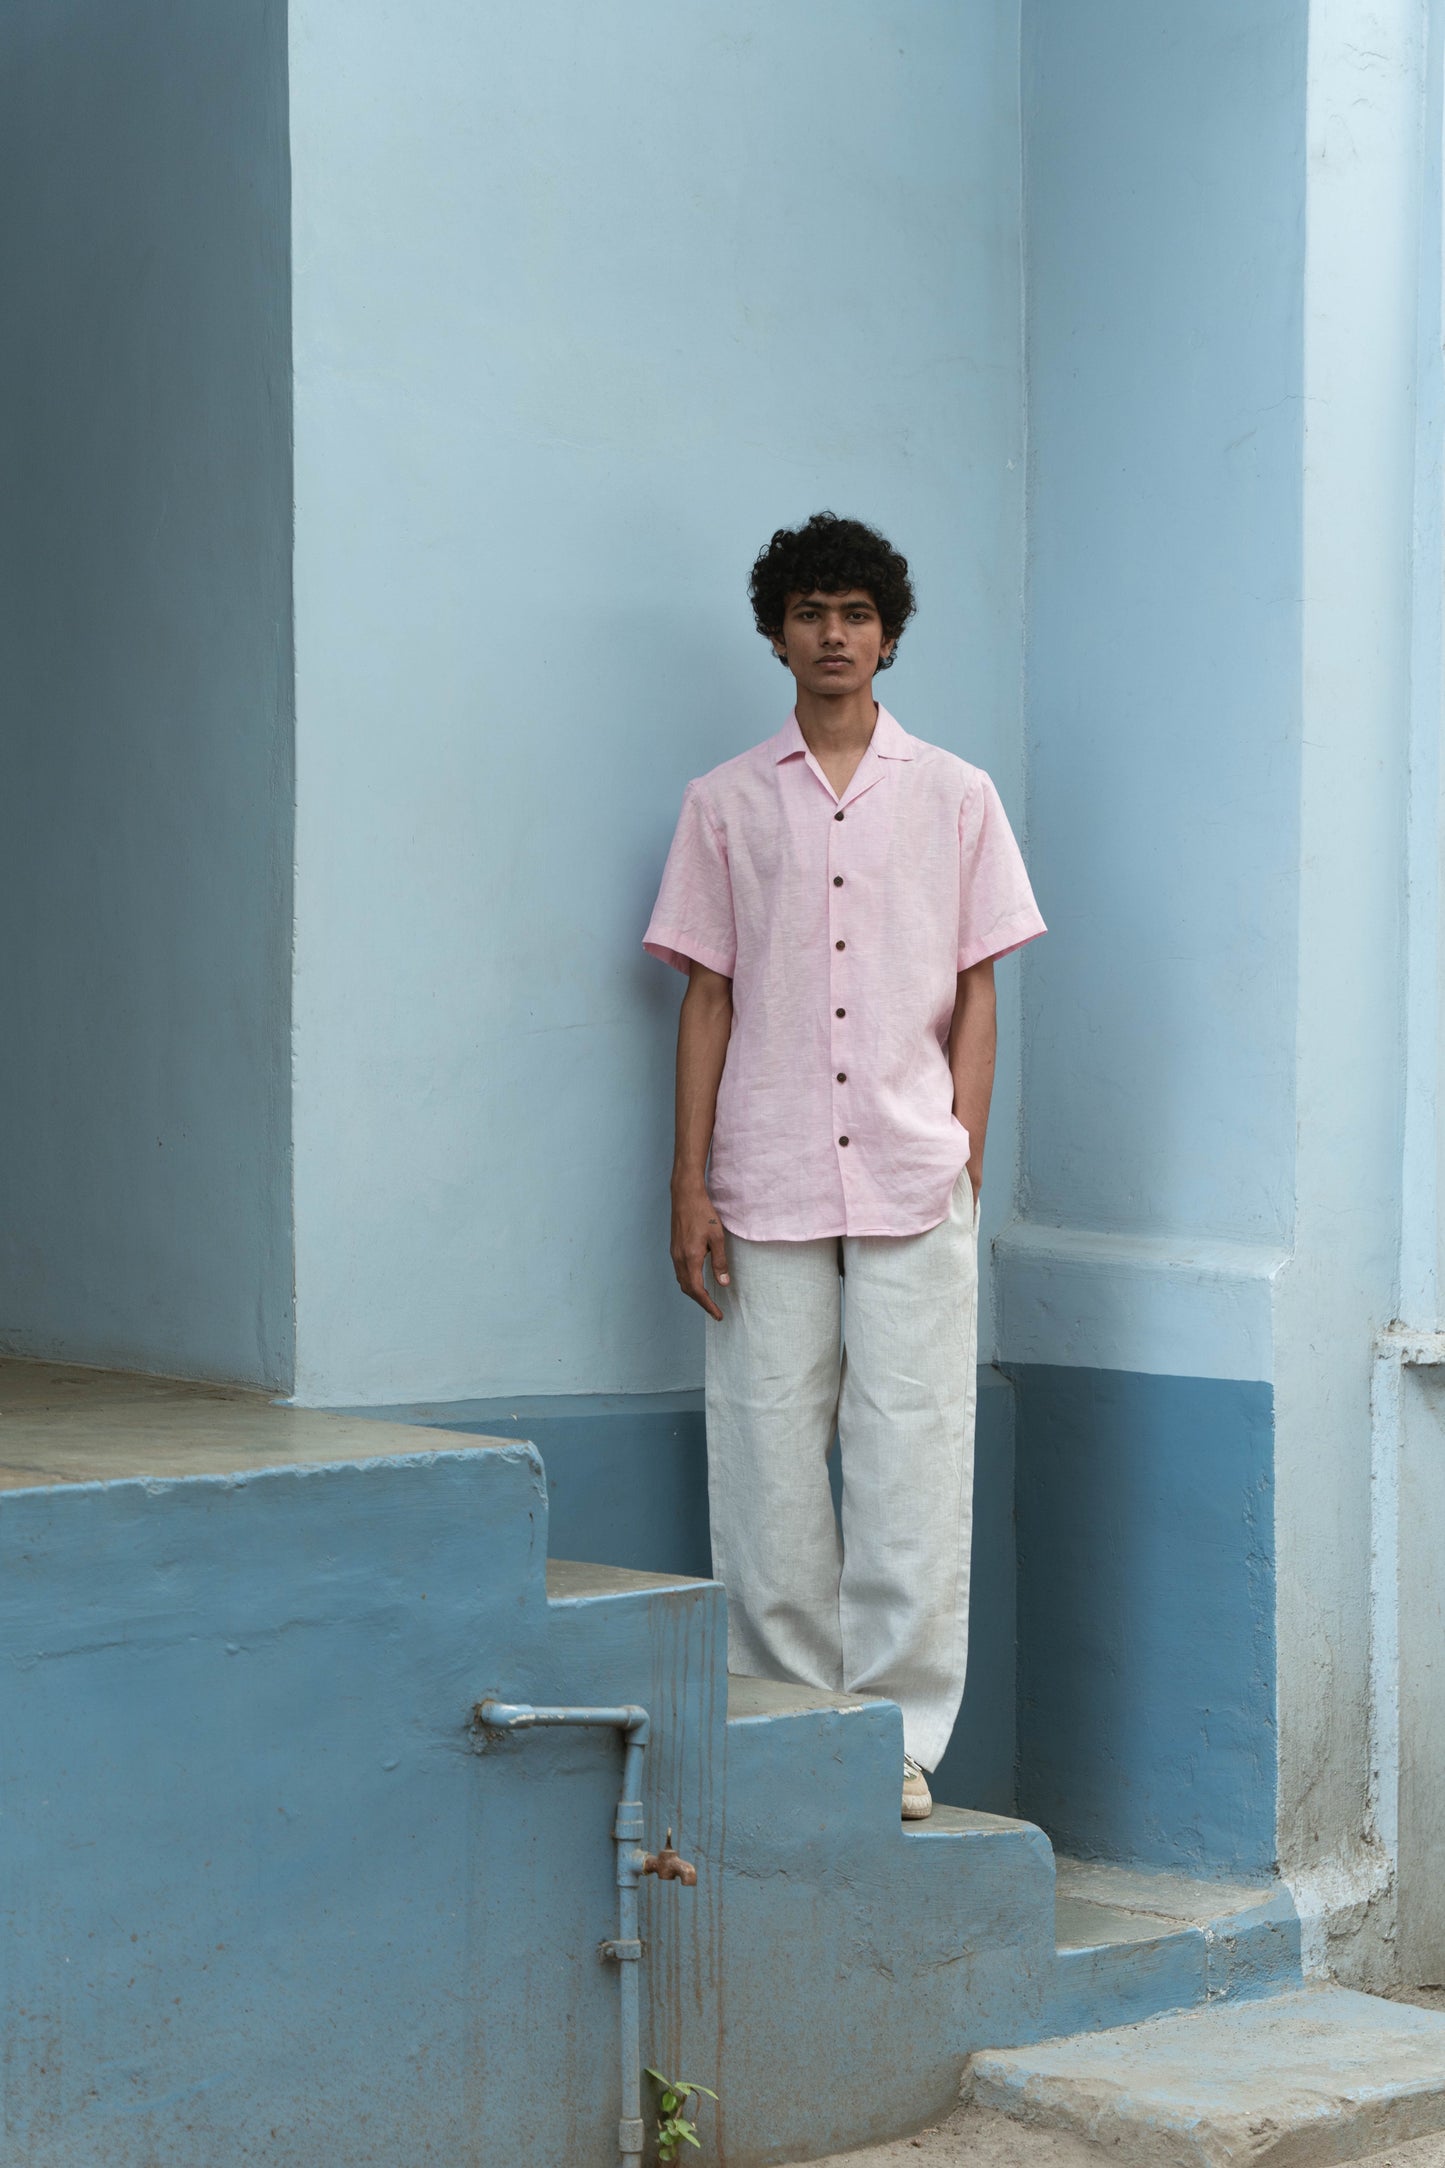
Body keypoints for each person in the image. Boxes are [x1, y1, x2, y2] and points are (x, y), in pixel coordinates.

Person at [643, 512, 1045, 1819]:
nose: (833, 635)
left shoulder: (954, 795)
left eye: (856, 613)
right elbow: (705, 997)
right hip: (759, 1173)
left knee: (914, 1447)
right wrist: (685, 1181)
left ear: (887, 633)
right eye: (811, 611)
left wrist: (962, 1153)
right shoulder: (723, 803)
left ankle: (898, 1738)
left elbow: (978, 991)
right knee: (762, 1443)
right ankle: (781, 1717)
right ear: (775, 631)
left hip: (913, 1171)